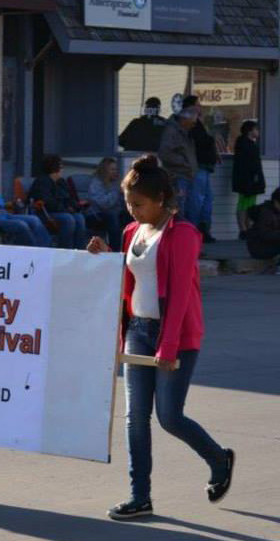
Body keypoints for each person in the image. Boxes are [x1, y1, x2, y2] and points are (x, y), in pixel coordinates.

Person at [88, 155, 234, 521]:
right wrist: (107, 258)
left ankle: (219, 459)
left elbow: (181, 296)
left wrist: (167, 348)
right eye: (128, 204)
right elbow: (131, 280)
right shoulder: (130, 232)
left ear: (161, 200)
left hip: (175, 335)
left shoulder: (183, 234)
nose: (132, 211)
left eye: (138, 204)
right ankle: (140, 496)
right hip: (137, 329)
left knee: (169, 417)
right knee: (135, 418)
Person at [28, 155, 87, 249]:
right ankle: (64, 250)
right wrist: (65, 209)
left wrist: (75, 206)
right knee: (68, 219)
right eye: (61, 167)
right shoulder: (42, 182)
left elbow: (68, 198)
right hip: (46, 213)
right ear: (55, 167)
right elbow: (47, 201)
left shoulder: (61, 182)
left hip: (62, 211)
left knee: (79, 218)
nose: (62, 169)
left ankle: (80, 250)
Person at [182, 95, 219, 243]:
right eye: (197, 105)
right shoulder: (189, 124)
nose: (200, 107)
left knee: (207, 200)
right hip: (197, 167)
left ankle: (204, 231)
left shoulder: (198, 123)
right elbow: (199, 142)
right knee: (196, 200)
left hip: (205, 167)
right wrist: (212, 138)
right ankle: (194, 233)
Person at [158, 107, 198, 222]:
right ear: (184, 120)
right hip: (178, 175)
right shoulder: (172, 132)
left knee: (184, 206)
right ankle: (178, 234)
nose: (194, 125)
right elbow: (165, 153)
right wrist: (184, 163)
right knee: (179, 207)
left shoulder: (182, 132)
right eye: (193, 122)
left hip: (185, 174)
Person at [86, 157, 131, 252]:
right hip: (97, 215)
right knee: (112, 217)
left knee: (130, 216)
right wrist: (116, 191)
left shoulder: (116, 182)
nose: (115, 172)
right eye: (112, 169)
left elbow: (122, 204)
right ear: (105, 170)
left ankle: (129, 248)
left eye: (116, 169)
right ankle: (115, 251)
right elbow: (103, 204)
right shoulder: (96, 183)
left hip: (115, 213)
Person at [232, 120, 265, 240]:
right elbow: (246, 165)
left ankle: (248, 227)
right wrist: (252, 178)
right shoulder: (244, 144)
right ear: (250, 131)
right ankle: (243, 229)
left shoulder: (250, 144)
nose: (258, 132)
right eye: (256, 129)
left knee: (250, 204)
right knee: (243, 204)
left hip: (252, 181)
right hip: (247, 181)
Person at [246, 187, 280, 261]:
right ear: (276, 202)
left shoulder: (276, 212)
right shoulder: (266, 213)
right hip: (260, 248)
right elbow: (264, 234)